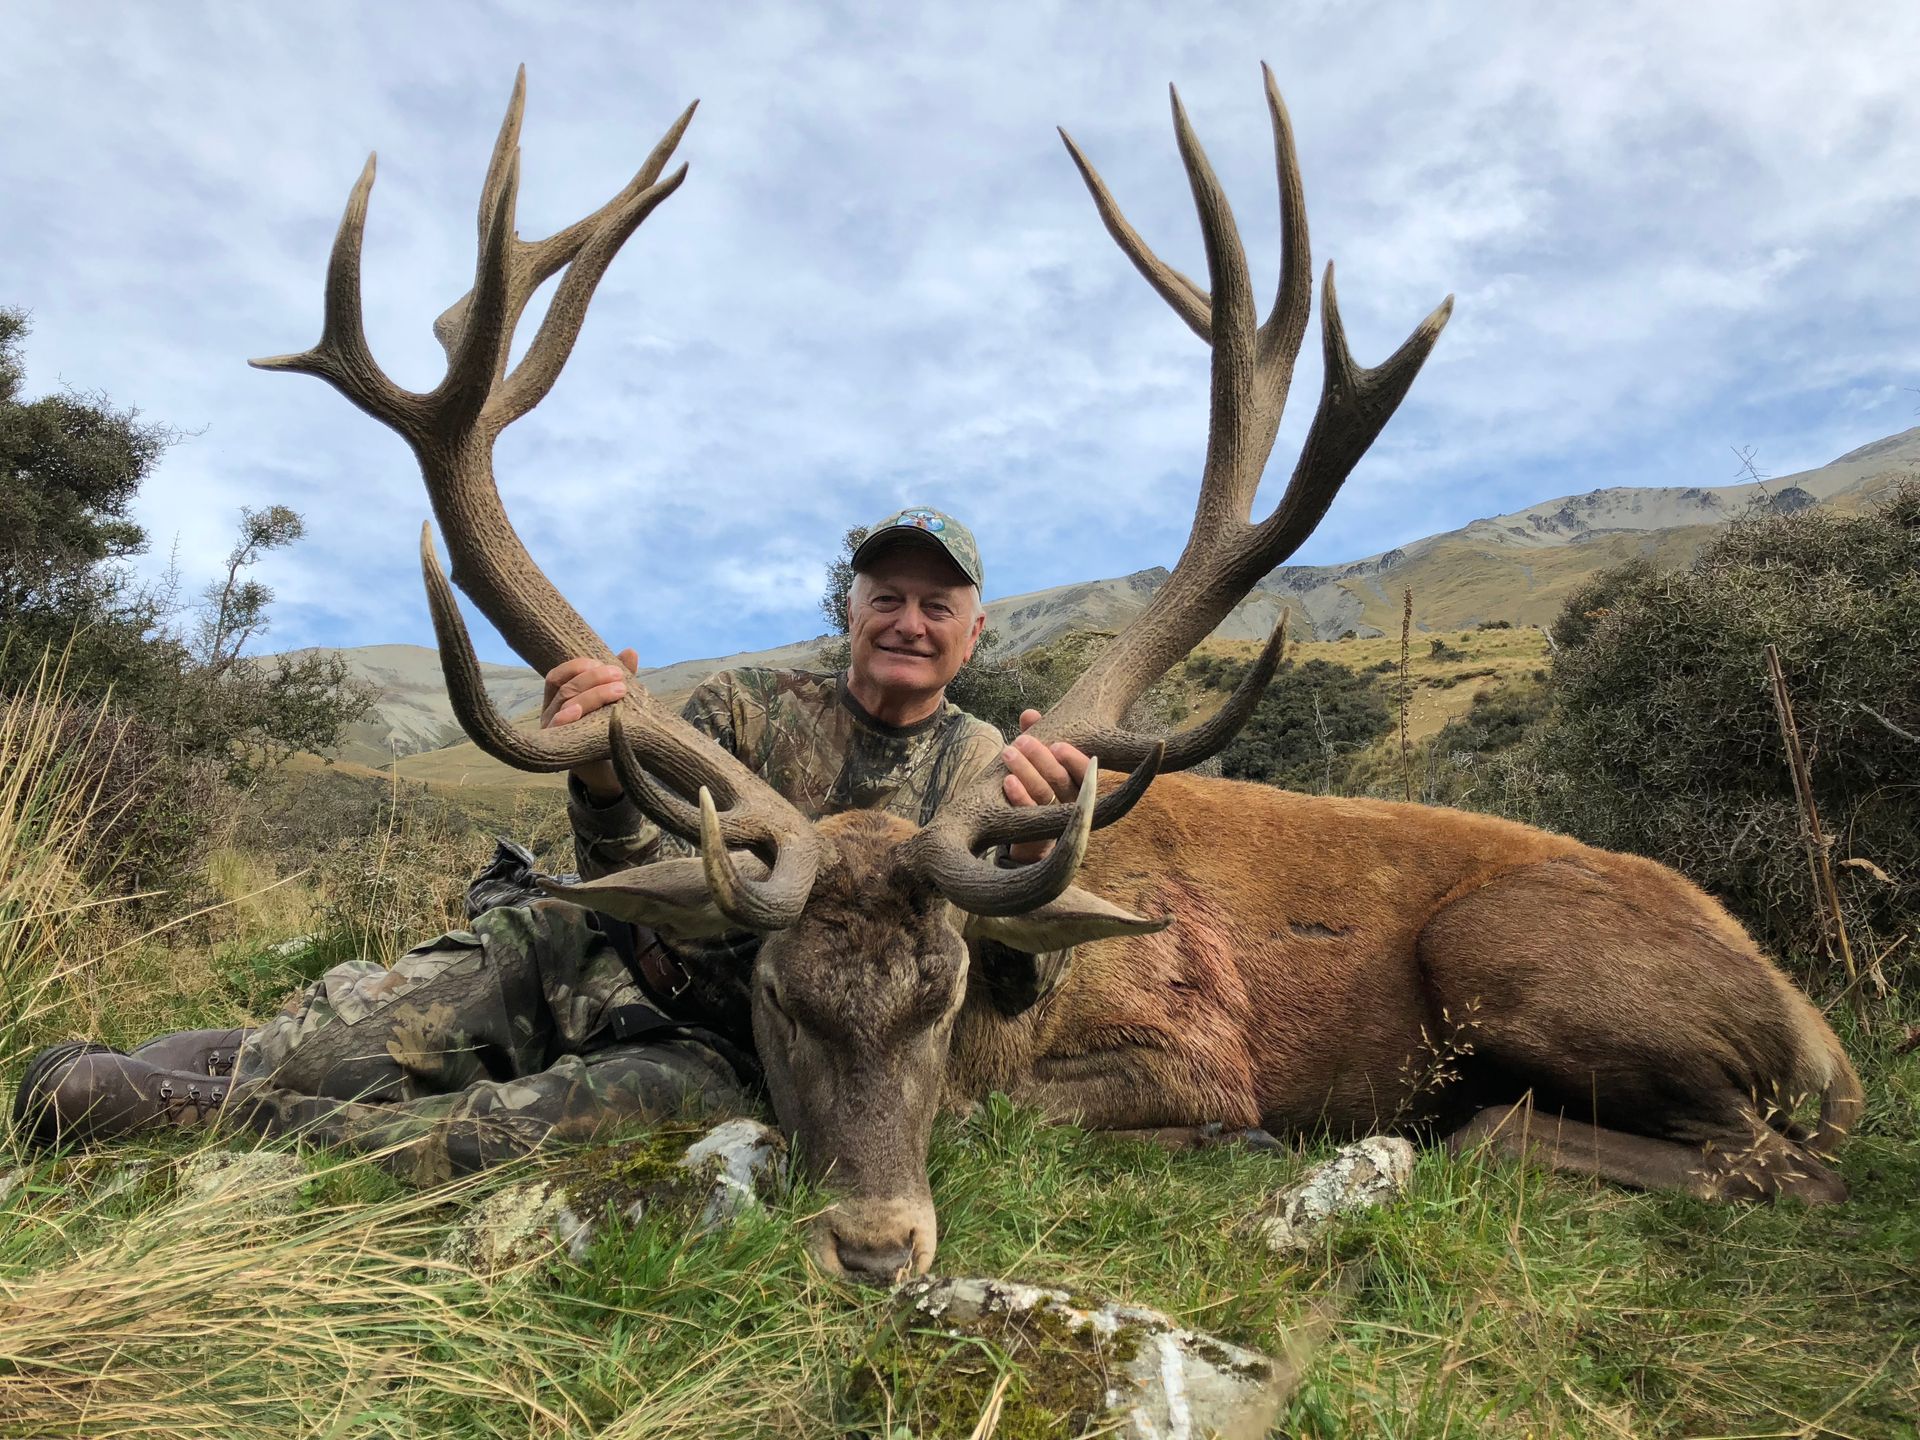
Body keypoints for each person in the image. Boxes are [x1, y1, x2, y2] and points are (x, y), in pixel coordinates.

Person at [12, 507, 1091, 1184]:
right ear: (850, 610)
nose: (908, 619)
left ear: (974, 629)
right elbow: (623, 872)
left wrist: (1047, 851)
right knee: (319, 1049)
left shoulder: (988, 768)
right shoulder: (746, 707)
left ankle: (146, 1106)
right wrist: (599, 767)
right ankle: (195, 1070)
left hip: (729, 1049)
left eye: (935, 604)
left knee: (496, 1133)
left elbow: (1005, 987)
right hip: (585, 950)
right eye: (885, 598)